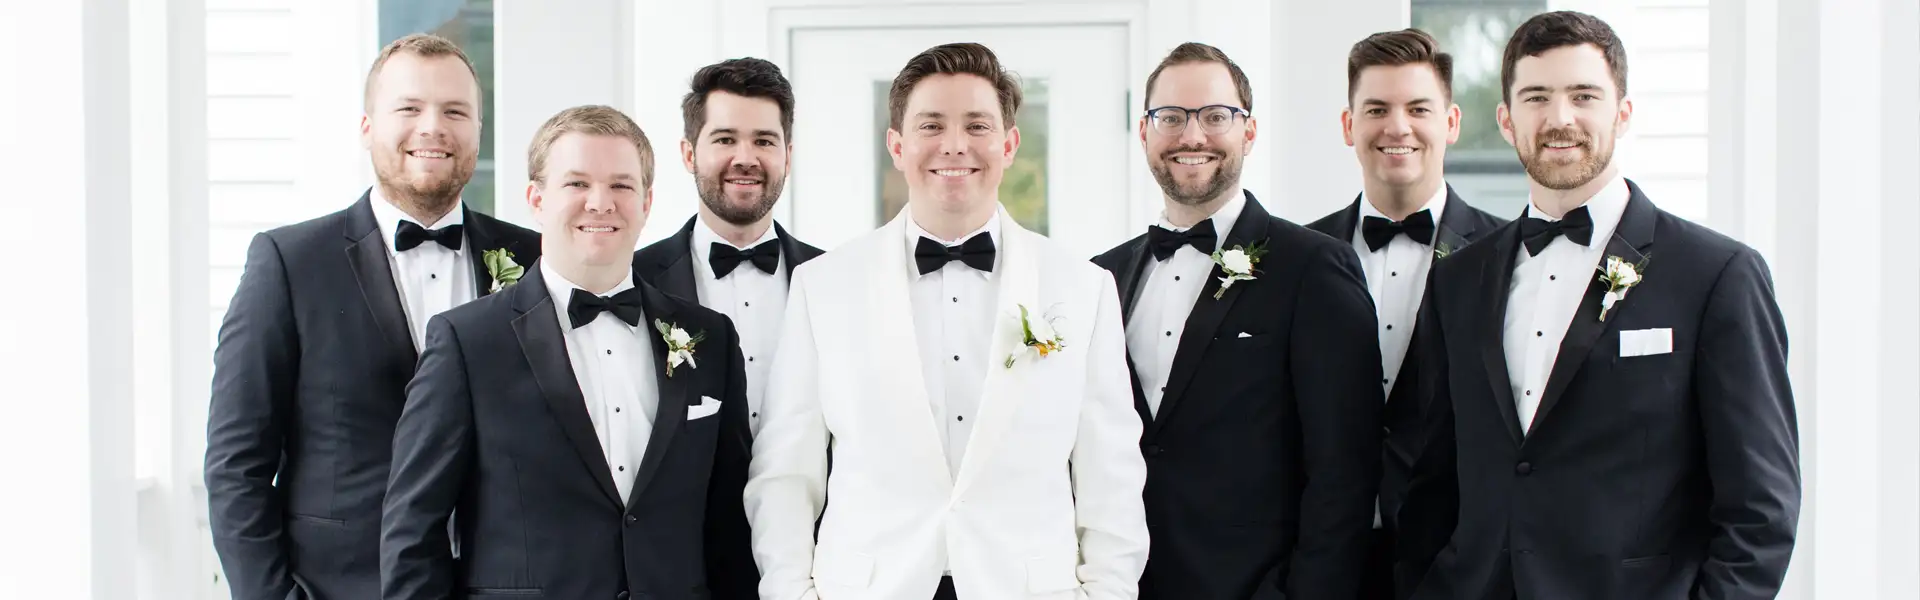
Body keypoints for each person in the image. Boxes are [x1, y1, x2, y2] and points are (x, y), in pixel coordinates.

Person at [1396, 11, 1800, 600]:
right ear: (1507, 120)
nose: (1560, 119)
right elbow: (1433, 480)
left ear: (1623, 112)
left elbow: (1761, 511)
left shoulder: (1717, 276)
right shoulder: (1459, 278)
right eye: (1536, 97)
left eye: (1583, 95)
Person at [743, 42, 1149, 600]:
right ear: (897, 145)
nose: (954, 145)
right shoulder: (822, 286)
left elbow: (1112, 473)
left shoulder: (1084, 289)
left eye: (976, 125)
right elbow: (786, 471)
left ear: (1008, 144)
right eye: (931, 125)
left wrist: (1106, 591)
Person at [204, 33, 539, 600]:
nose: (432, 127)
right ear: (367, 128)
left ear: (478, 131)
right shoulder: (289, 263)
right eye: (408, 108)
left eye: (455, 111)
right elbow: (236, 464)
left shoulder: (532, 260)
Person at [380, 105, 757, 600]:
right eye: (577, 184)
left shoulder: (712, 338)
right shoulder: (467, 342)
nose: (600, 203)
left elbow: (730, 522)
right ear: (536, 199)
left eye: (621, 185)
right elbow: (413, 532)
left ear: (647, 202)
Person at [1089, 41, 1384, 600]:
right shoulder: (1101, 276)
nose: (1191, 136)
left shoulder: (1314, 268)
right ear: (1145, 132)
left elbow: (1344, 471)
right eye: (1170, 117)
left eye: (1215, 116)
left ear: (1248, 132)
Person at [1302, 29, 1508, 600]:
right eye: (1376, 109)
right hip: (1323, 568)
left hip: (1459, 566)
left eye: (1419, 108)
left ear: (1451, 123)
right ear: (1349, 126)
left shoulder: (1508, 258)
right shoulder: (1299, 257)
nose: (1398, 127)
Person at [634, 57, 823, 434]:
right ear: (689, 154)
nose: (746, 158)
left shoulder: (834, 280)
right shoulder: (632, 278)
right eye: (725, 139)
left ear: (788, 156)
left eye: (764, 141)